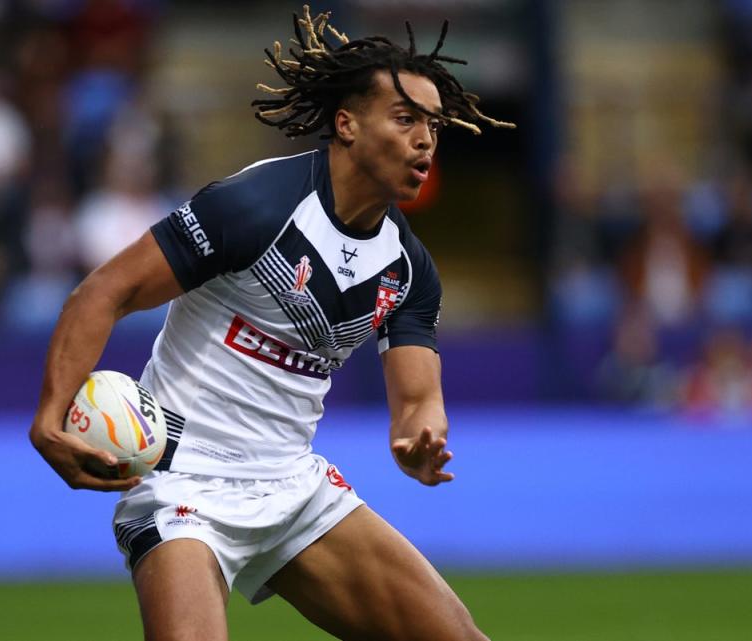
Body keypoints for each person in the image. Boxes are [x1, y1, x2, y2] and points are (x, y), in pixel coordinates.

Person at [29, 7, 512, 640]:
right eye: (406, 119)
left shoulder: (409, 270)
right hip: (184, 484)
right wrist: (49, 416)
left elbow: (419, 401)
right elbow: (103, 293)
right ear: (347, 123)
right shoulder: (255, 207)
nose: (426, 139)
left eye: (432, 125)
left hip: (293, 486)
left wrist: (421, 440)